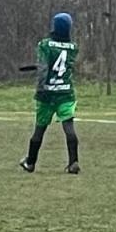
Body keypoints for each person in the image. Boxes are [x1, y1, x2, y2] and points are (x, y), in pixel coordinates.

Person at [19, 12, 81, 174]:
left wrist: (40, 89)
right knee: (69, 127)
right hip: (65, 92)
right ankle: (73, 162)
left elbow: (44, 68)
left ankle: (30, 162)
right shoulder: (74, 47)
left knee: (39, 129)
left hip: (47, 94)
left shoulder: (45, 44)